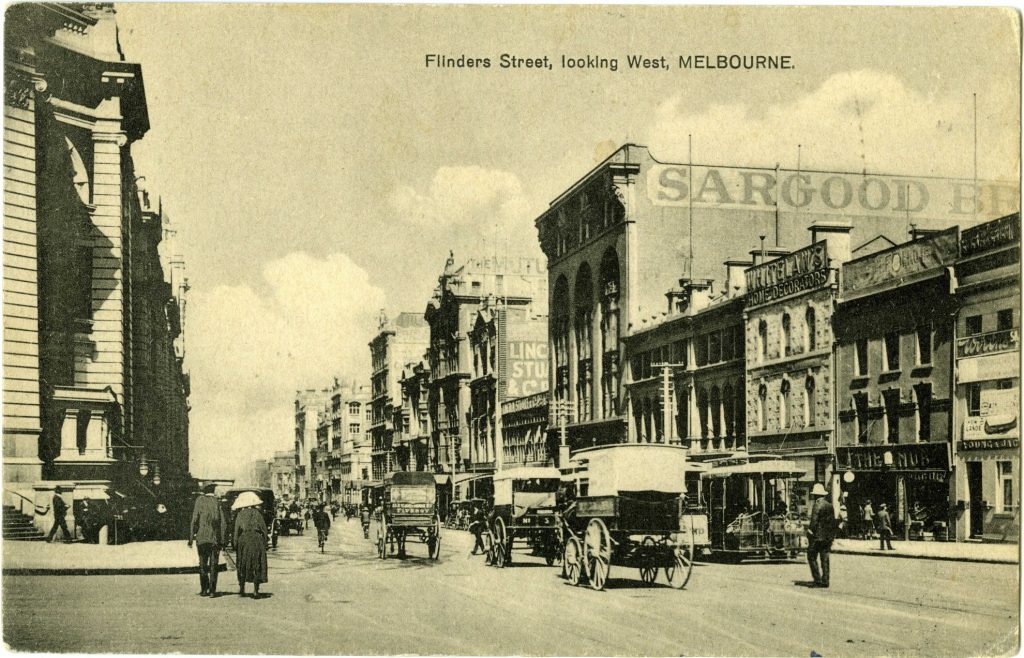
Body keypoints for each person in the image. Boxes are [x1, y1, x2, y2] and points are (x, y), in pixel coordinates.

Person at [189, 482, 226, 597]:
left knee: (202, 564)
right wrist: (223, 540)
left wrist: (191, 537)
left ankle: (204, 589)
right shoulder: (217, 502)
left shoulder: (199, 501)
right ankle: (212, 591)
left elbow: (194, 519)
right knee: (214, 565)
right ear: (213, 490)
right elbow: (223, 523)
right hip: (214, 538)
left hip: (202, 538)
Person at [232, 491, 269, 599]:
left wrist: (235, 543)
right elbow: (264, 529)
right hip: (257, 539)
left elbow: (236, 530)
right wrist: (265, 541)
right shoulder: (258, 514)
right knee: (257, 564)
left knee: (242, 563)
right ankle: (256, 590)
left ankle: (242, 588)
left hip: (244, 540)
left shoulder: (240, 514)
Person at [805, 482, 836, 588]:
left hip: (817, 537)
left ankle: (817, 579)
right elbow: (833, 522)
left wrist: (809, 531)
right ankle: (826, 580)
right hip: (828, 537)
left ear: (815, 495)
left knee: (811, 556)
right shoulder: (829, 505)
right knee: (825, 558)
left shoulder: (817, 504)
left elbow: (814, 521)